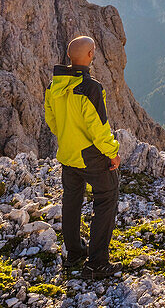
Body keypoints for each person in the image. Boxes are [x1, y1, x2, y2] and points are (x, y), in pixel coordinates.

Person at [44, 35, 121, 279]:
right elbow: (99, 129)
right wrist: (113, 153)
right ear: (90, 55)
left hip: (67, 154)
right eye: (94, 50)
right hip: (91, 156)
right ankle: (97, 263)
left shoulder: (52, 87)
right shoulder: (91, 89)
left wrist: (69, 136)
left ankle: (74, 254)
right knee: (107, 198)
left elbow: (52, 122)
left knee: (72, 202)